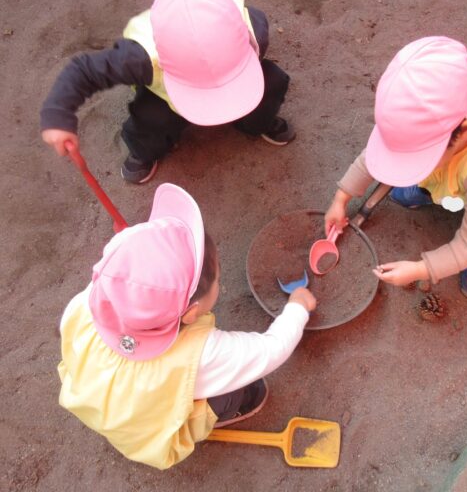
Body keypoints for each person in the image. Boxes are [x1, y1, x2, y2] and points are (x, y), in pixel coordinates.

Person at [58, 183, 316, 469]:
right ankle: (228, 410)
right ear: (191, 313)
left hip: (98, 400)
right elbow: (271, 350)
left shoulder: (89, 301)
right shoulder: (198, 355)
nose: (219, 281)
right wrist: (297, 307)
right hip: (150, 432)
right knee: (234, 388)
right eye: (217, 279)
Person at [325, 36, 467, 299]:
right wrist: (341, 199)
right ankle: (429, 191)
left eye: (418, 155)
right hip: (458, 179)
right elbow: (373, 156)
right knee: (434, 173)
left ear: (464, 131)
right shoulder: (433, 127)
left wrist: (420, 269)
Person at [41, 0, 294, 184]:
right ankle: (144, 150)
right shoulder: (139, 58)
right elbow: (85, 70)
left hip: (232, 73)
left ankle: (257, 123)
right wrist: (57, 115)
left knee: (272, 82)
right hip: (164, 95)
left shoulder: (254, 30)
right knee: (152, 116)